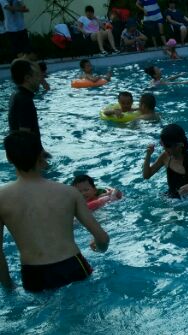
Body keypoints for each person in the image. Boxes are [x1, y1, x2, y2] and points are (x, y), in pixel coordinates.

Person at [0, 132, 109, 293]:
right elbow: (102, 238)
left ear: (9, 158)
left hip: (33, 274)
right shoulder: (69, 193)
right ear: (41, 155)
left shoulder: (2, 198)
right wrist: (99, 248)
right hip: (73, 266)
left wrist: (8, 286)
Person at [142, 124, 188, 199]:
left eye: (168, 146)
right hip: (172, 199)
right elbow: (146, 176)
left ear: (179, 145)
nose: (164, 148)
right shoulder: (165, 156)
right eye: (162, 144)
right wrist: (148, 155)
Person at [7, 59, 47, 157]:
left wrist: (42, 152)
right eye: (37, 75)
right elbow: (24, 138)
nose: (41, 79)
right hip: (29, 159)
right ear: (28, 78)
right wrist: (38, 160)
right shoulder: (25, 100)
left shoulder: (16, 95)